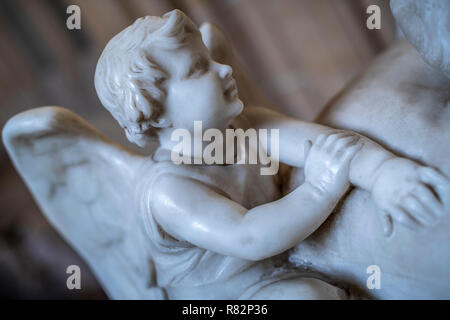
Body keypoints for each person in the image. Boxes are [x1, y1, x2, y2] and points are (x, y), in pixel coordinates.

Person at [93, 9, 447, 299]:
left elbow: (328, 145)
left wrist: (384, 173)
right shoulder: (168, 192)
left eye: (210, 58)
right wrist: (322, 187)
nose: (224, 68)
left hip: (286, 259)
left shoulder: (250, 128)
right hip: (229, 302)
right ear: (157, 113)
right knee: (307, 298)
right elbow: (249, 236)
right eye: (198, 69)